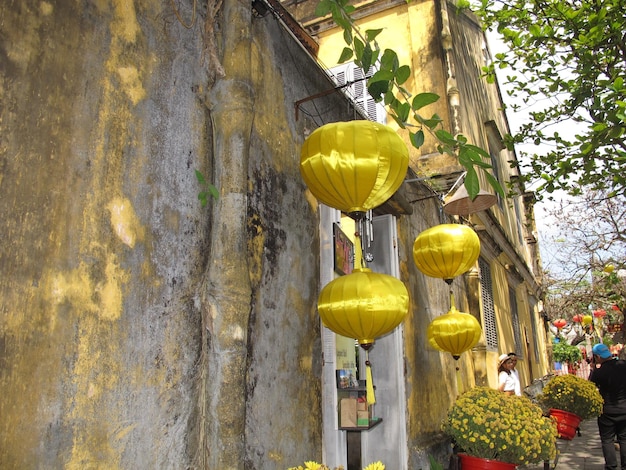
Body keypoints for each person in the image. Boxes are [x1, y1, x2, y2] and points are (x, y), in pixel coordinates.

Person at [589, 343, 626, 470]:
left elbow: (589, 388)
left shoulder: (599, 372)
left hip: (607, 411)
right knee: (624, 439)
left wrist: (593, 369)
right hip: (624, 409)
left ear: (598, 356)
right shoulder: (623, 365)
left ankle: (611, 466)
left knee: (607, 440)